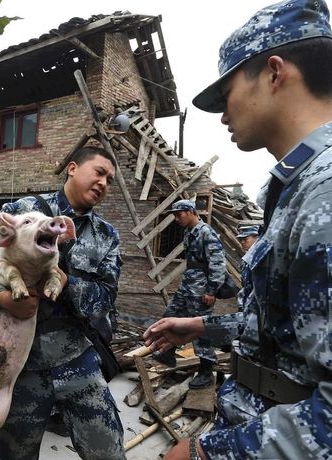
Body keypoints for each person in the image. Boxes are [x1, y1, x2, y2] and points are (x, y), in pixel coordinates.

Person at [143, 1, 332, 458]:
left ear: (274, 72)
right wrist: (201, 326)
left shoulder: (324, 189)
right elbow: (280, 332)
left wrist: (209, 454)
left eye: (226, 90)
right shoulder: (297, 185)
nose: (221, 113)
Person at [0, 145, 124, 459]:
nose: (105, 183)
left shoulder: (107, 235)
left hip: (77, 360)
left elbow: (106, 296)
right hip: (19, 366)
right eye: (100, 172)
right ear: (73, 168)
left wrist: (69, 284)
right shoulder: (25, 211)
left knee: (108, 452)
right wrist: (3, 298)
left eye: (110, 179)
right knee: (14, 454)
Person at [152, 199, 226, 389]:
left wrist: (212, 291)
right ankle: (168, 353)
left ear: (192, 211)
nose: (177, 218)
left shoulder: (206, 233)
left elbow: (218, 264)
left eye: (180, 214)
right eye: (174, 215)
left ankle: (206, 371)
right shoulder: (188, 232)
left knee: (200, 328)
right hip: (188, 285)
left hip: (202, 289)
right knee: (170, 316)